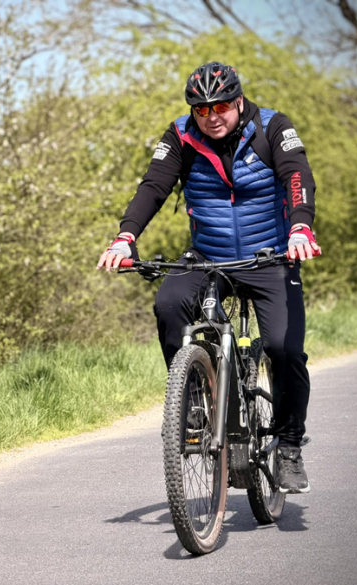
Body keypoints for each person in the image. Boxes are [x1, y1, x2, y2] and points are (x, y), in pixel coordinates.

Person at [96, 62, 320, 493]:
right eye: (201, 110)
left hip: (271, 255)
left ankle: (290, 446)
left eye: (220, 107)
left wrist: (300, 227)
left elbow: (297, 175)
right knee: (168, 303)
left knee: (285, 349)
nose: (211, 116)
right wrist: (125, 237)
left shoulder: (273, 127)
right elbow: (153, 187)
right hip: (208, 256)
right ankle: (195, 397)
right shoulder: (180, 135)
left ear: (238, 101)